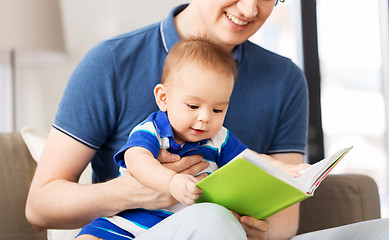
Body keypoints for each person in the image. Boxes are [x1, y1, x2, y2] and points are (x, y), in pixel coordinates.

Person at [25, 1, 389, 239]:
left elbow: (281, 220)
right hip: (139, 230)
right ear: (163, 97)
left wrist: (290, 180)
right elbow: (39, 206)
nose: (249, 8)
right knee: (211, 220)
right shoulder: (112, 63)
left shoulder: (284, 79)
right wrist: (134, 191)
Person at [75, 38, 308, 240]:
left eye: (218, 110)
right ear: (163, 98)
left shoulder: (219, 138)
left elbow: (250, 160)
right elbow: (137, 160)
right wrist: (171, 182)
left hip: (180, 229)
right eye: (193, 106)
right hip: (126, 225)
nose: (205, 118)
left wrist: (285, 169)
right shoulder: (153, 129)